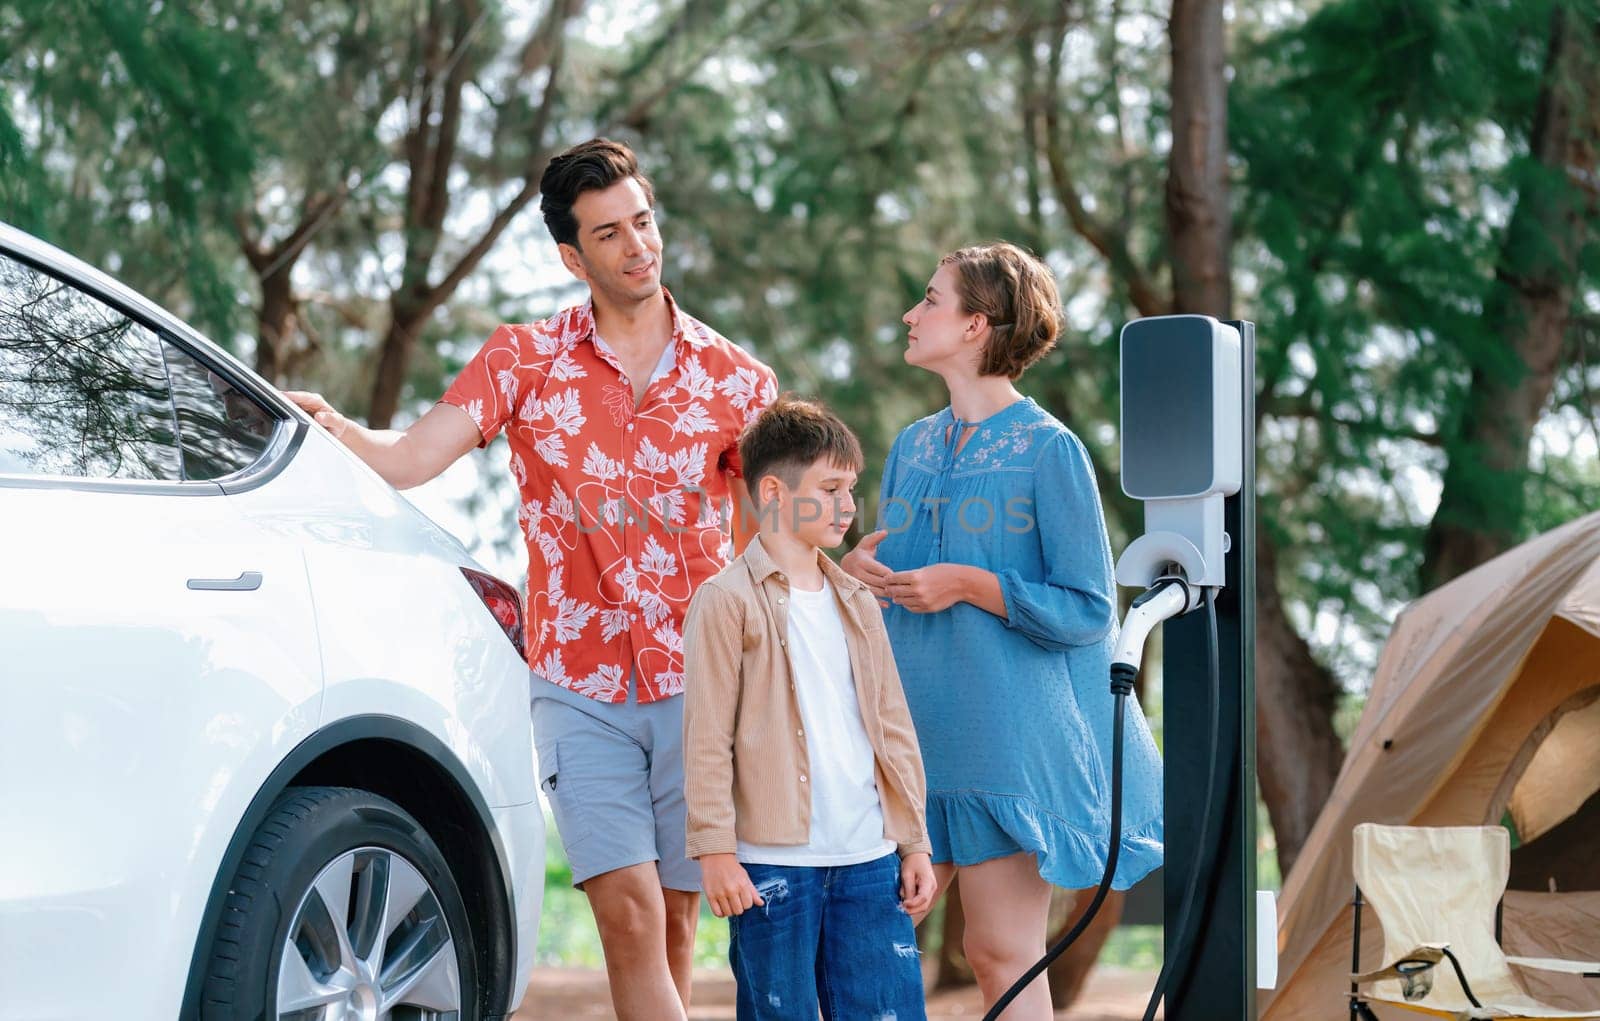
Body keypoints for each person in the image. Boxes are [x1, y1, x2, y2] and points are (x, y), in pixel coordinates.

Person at [287, 137, 778, 1020]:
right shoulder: (523, 358)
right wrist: (340, 430)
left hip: (701, 681)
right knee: (625, 916)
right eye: (610, 234)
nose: (637, 246)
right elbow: (409, 458)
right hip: (575, 682)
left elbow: (765, 547)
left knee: (672, 916)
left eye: (643, 222)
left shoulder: (738, 381)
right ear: (571, 254)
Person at [841, 242, 1163, 1019]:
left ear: (977, 325)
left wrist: (971, 584)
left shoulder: (1051, 450)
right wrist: (854, 573)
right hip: (910, 737)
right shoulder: (913, 448)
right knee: (863, 933)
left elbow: (1089, 607)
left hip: (1005, 745)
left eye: (930, 300)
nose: (913, 315)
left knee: (998, 951)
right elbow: (894, 586)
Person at [682, 394, 936, 1021]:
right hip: (773, 868)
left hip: (869, 860)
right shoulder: (725, 601)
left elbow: (893, 729)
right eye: (829, 488)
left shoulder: (855, 600)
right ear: (773, 490)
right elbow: (707, 735)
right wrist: (715, 852)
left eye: (851, 488)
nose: (847, 505)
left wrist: (915, 843)